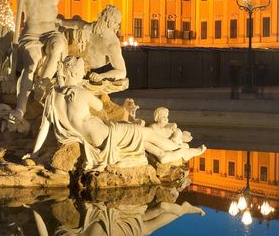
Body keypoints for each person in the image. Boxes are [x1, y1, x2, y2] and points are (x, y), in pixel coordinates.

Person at [31, 56, 205, 169]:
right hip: (105, 135)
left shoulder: (52, 96)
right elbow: (98, 106)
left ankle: (162, 154)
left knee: (139, 137)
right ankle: (182, 150)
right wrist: (84, 87)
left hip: (95, 136)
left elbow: (43, 128)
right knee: (146, 132)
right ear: (74, 72)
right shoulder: (80, 92)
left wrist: (34, 153)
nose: (83, 75)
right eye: (82, 73)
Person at [10, 0, 70, 124]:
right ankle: (20, 108)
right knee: (32, 63)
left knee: (58, 45)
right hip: (33, 34)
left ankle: (42, 84)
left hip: (51, 32)